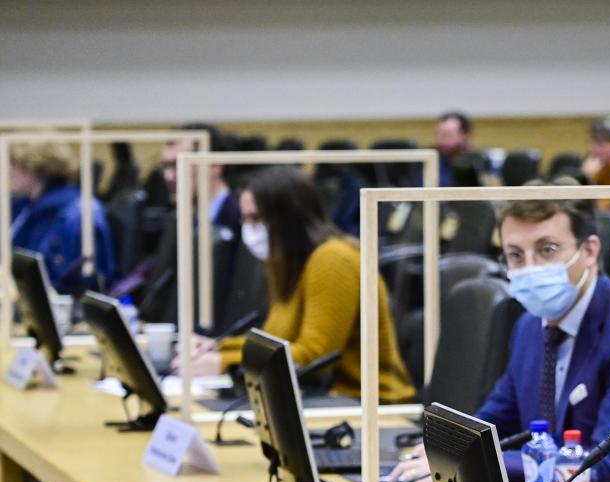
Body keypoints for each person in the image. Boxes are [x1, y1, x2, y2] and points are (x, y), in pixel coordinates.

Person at [390, 179, 610, 482]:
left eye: (547, 250)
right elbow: (497, 418)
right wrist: (446, 451)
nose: (529, 268)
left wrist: (474, 463)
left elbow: (603, 469)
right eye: (515, 255)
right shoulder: (528, 325)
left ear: (590, 250)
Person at [179, 165, 414, 403]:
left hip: (370, 405)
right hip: (327, 401)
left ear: (290, 217)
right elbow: (273, 342)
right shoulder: (289, 264)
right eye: (245, 218)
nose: (248, 228)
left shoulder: (333, 260)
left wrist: (224, 363)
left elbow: (313, 358)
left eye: (257, 218)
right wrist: (216, 348)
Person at [132, 123, 244, 324]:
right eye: (165, 167)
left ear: (214, 166)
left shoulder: (242, 223)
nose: (168, 176)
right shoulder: (179, 221)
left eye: (177, 165)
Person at [10, 142, 117, 294]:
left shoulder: (73, 213)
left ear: (33, 167)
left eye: (14, 164)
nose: (9, 171)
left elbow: (66, 280)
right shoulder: (23, 205)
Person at [434, 111, 477, 187]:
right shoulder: (432, 161)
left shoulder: (479, 164)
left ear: (465, 135)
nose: (440, 141)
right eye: (438, 134)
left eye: (447, 135)